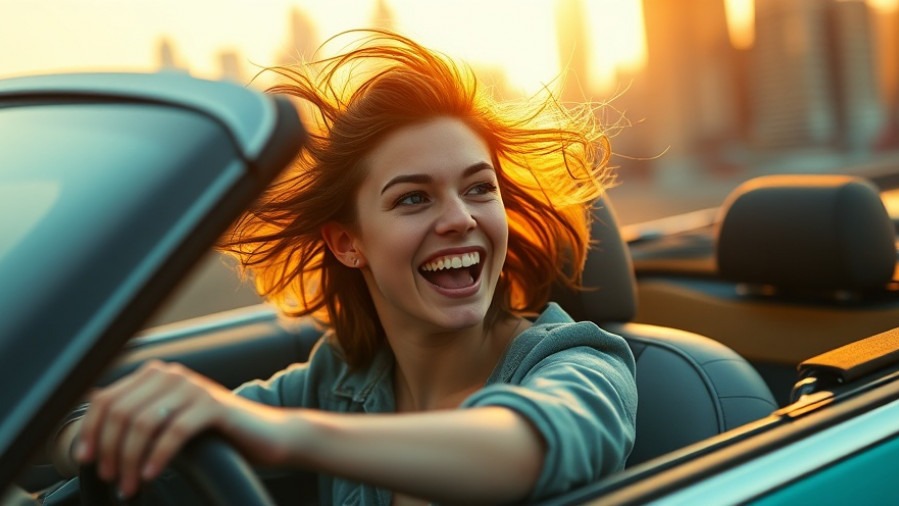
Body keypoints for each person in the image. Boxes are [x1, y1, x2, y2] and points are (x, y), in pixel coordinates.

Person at [50, 29, 637, 505]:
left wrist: (287, 438)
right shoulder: (341, 381)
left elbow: (524, 447)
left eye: (479, 188)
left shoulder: (578, 360)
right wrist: (92, 433)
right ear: (347, 243)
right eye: (413, 198)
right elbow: (98, 434)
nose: (459, 218)